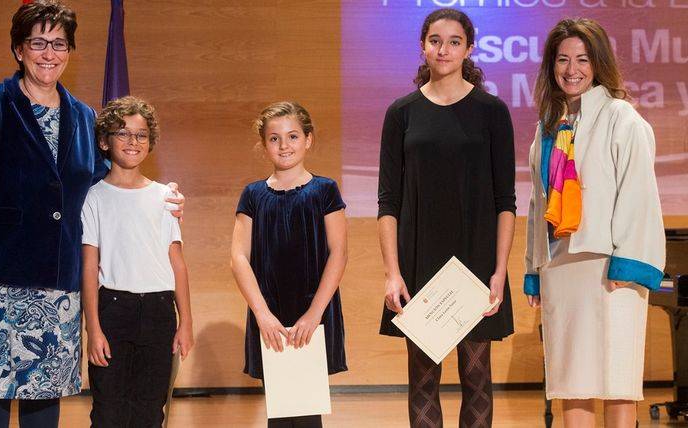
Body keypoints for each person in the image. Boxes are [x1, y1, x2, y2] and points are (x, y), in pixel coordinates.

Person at [0, 2, 183, 427]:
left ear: (69, 51)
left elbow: (103, 185)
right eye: (38, 42)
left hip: (58, 281)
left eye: (58, 44)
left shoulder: (83, 116)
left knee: (45, 391)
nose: (48, 53)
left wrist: (164, 196)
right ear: (19, 49)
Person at [376, 8, 516, 427]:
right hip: (419, 259)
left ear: (469, 48)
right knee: (422, 379)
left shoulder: (492, 112)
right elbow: (388, 202)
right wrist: (392, 273)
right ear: (423, 46)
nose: (444, 49)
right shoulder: (401, 113)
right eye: (435, 40)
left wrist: (499, 271)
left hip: (475, 261)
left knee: (476, 376)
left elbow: (504, 200)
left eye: (454, 41)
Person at [524, 18, 665, 428]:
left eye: (583, 60)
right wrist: (534, 269)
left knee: (617, 381)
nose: (572, 69)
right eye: (563, 59)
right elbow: (538, 204)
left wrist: (629, 264)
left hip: (610, 267)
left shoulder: (623, 117)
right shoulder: (548, 125)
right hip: (562, 267)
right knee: (572, 381)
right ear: (552, 66)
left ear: (598, 63)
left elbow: (639, 194)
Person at [230, 101, 348, 428]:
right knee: (279, 411)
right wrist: (262, 314)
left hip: (313, 312)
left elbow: (338, 253)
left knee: (307, 411)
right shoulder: (253, 195)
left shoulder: (325, 190)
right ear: (263, 144)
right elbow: (238, 257)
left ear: (308, 140)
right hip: (270, 313)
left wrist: (314, 315)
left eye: (293, 136)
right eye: (275, 138)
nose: (285, 145)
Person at [81, 96, 194, 427]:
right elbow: (90, 266)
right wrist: (94, 328)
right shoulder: (94, 197)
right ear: (104, 140)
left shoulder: (164, 197)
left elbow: (178, 263)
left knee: (149, 408)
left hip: (159, 312)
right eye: (123, 133)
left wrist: (185, 320)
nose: (133, 142)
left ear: (151, 142)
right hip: (113, 310)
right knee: (108, 410)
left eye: (141, 134)